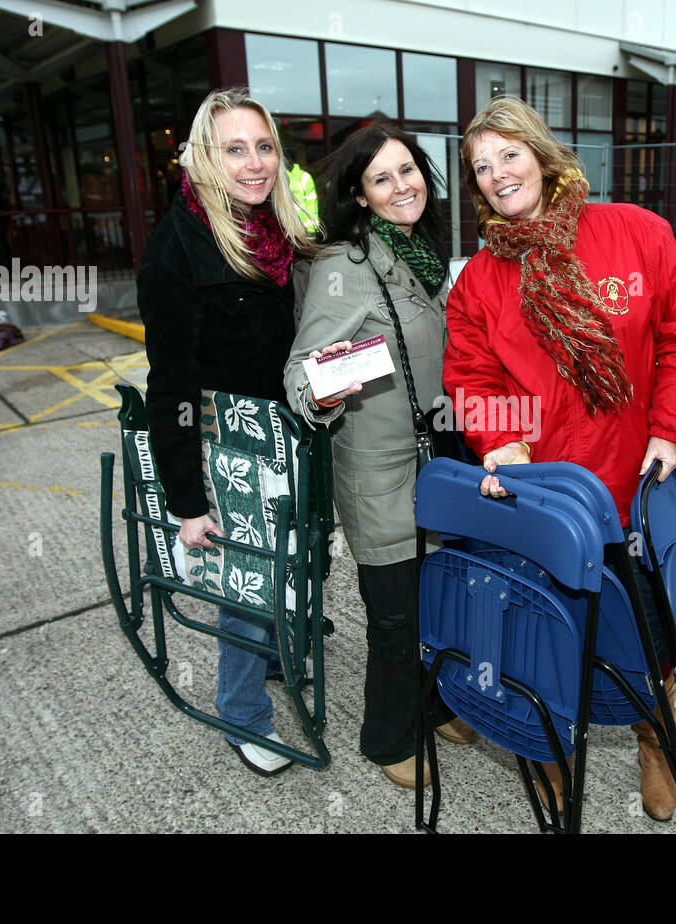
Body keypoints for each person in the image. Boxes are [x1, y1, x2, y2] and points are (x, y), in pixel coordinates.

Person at [443, 96, 676, 823]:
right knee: (542, 632)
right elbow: (471, 376)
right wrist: (500, 439)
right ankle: (549, 748)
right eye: (481, 166)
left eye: (508, 154)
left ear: (540, 152)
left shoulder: (635, 232)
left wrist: (670, 429)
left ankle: (654, 739)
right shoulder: (479, 280)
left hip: (637, 478)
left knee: (651, 632)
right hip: (546, 497)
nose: (498, 174)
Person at [283, 123, 474, 790]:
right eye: (382, 178)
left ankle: (440, 700)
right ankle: (388, 735)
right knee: (395, 617)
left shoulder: (423, 253)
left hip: (438, 461)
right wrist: (327, 390)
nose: (402, 186)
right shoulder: (347, 267)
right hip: (381, 470)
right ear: (360, 196)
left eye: (408, 169)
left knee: (438, 602)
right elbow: (300, 374)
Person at [136, 87, 315, 778]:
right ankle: (242, 716)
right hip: (222, 441)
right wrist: (185, 501)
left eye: (264, 146)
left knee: (284, 563)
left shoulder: (270, 232)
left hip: (279, 430)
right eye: (234, 149)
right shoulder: (177, 246)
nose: (253, 162)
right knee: (246, 586)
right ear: (204, 157)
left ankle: (270, 655)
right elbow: (170, 386)